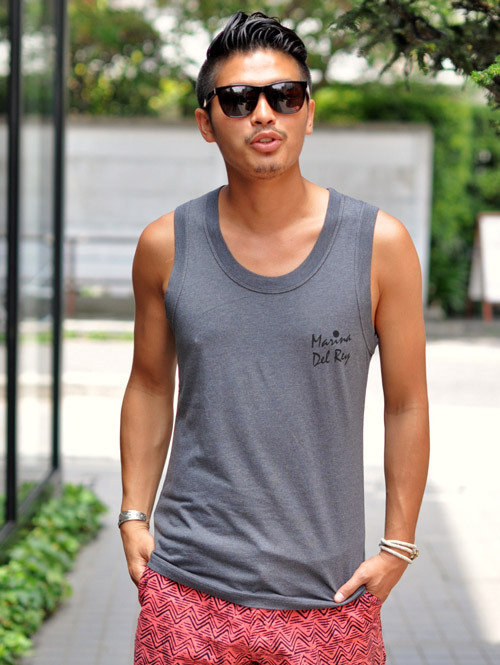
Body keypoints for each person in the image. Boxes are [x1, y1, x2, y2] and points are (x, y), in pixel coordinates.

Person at [120, 11, 429, 665]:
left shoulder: (380, 246)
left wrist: (398, 545)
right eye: (238, 99)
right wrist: (132, 514)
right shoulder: (164, 246)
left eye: (284, 95)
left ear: (308, 112)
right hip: (185, 591)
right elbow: (148, 384)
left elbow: (406, 403)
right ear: (207, 122)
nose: (264, 113)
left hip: (329, 599)